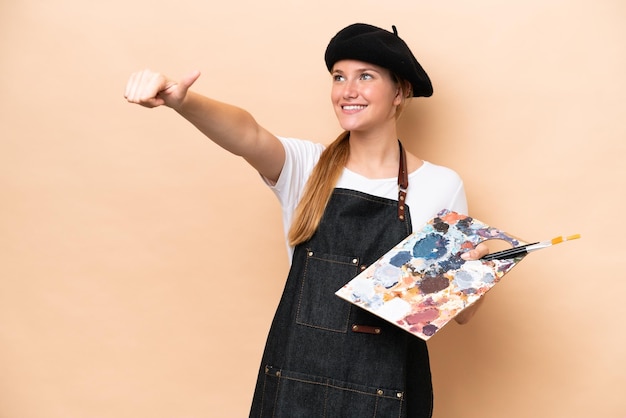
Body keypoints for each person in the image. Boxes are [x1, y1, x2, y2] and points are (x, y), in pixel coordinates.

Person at [125, 22, 487, 418]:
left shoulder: (440, 185)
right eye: (339, 77)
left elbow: (461, 315)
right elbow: (247, 133)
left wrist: (478, 272)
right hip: (296, 386)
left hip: (389, 392)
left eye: (365, 76)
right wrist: (183, 102)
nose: (348, 91)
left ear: (400, 91)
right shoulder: (307, 167)